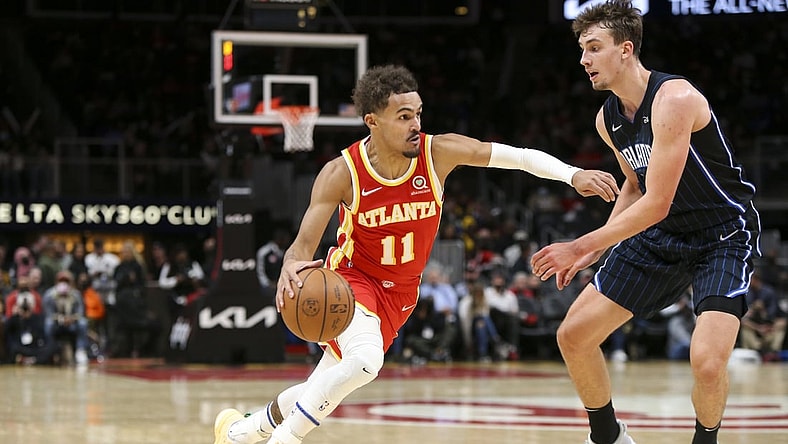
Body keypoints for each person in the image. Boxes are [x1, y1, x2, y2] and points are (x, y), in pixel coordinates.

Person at [213, 63, 619, 444]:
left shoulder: (437, 153)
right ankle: (285, 440)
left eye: (418, 113)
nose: (416, 124)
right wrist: (290, 263)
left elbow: (516, 157)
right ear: (372, 121)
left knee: (329, 382)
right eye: (403, 116)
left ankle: (240, 432)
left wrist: (572, 174)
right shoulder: (343, 172)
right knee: (366, 362)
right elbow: (303, 245)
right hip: (354, 282)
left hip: (401, 293)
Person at [529, 2, 761, 444]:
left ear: (625, 50)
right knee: (574, 336)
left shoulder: (675, 99)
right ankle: (608, 437)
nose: (584, 60)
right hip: (663, 233)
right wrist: (596, 249)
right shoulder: (607, 119)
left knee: (708, 363)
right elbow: (634, 186)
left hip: (722, 234)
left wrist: (580, 245)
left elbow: (656, 201)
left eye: (594, 48)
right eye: (582, 50)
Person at [739, 272, 786, 360]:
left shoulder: (769, 292)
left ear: (756, 280)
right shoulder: (747, 292)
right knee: (743, 326)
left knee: (782, 325)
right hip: (754, 327)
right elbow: (744, 317)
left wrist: (763, 310)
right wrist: (758, 327)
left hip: (769, 326)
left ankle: (775, 353)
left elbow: (773, 314)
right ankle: (754, 352)